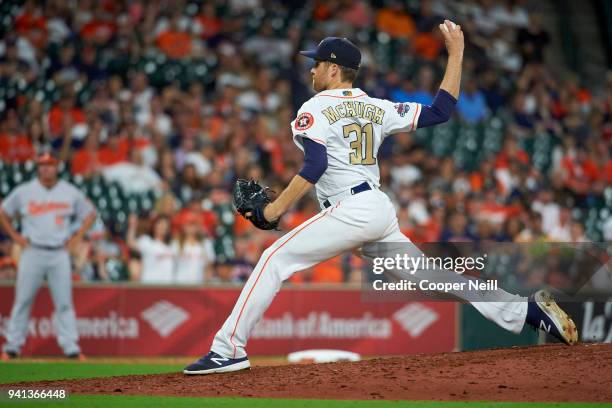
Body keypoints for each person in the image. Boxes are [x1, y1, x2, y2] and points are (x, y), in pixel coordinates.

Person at [184, 21, 577, 375]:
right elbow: (441, 111)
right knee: (434, 278)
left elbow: (315, 164)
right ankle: (527, 310)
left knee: (273, 258)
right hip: (375, 210)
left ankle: (227, 350)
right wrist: (456, 54)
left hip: (351, 210)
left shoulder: (315, 107)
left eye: (318, 64)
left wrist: (273, 210)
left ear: (334, 69)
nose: (312, 69)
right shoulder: (377, 106)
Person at [0, 153, 96, 360]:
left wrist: (77, 237)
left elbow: (90, 214)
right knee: (23, 300)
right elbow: (3, 212)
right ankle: (11, 347)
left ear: (56, 167)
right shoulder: (25, 191)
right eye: (42, 165)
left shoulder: (69, 191)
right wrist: (16, 237)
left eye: (50, 165)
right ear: (38, 168)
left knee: (64, 303)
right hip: (32, 251)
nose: (46, 169)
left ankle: (71, 348)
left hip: (59, 252)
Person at [126, 214, 176, 284]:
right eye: (160, 224)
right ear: (154, 226)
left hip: (168, 285)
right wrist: (132, 226)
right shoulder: (147, 241)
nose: (163, 227)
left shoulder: (173, 245)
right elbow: (130, 243)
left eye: (166, 224)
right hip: (150, 284)